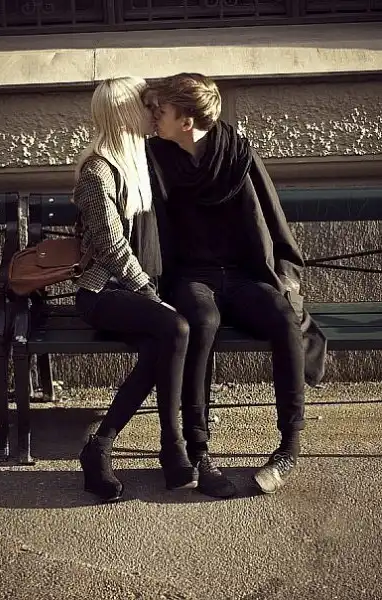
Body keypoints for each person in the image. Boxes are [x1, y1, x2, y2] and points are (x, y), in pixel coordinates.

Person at [146, 73, 326, 495]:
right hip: (192, 277)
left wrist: (284, 279)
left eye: (161, 110)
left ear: (186, 121)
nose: (153, 116)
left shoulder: (236, 154)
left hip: (243, 275)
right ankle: (199, 450)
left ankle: (289, 447)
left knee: (283, 318)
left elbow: (268, 217)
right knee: (201, 322)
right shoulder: (157, 157)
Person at [73, 76, 198, 503]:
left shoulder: (141, 158)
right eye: (146, 105)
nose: (153, 111)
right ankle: (172, 447)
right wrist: (151, 294)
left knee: (161, 345)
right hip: (103, 294)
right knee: (176, 329)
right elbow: (111, 246)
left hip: (139, 291)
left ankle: (100, 447)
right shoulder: (97, 171)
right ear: (125, 113)